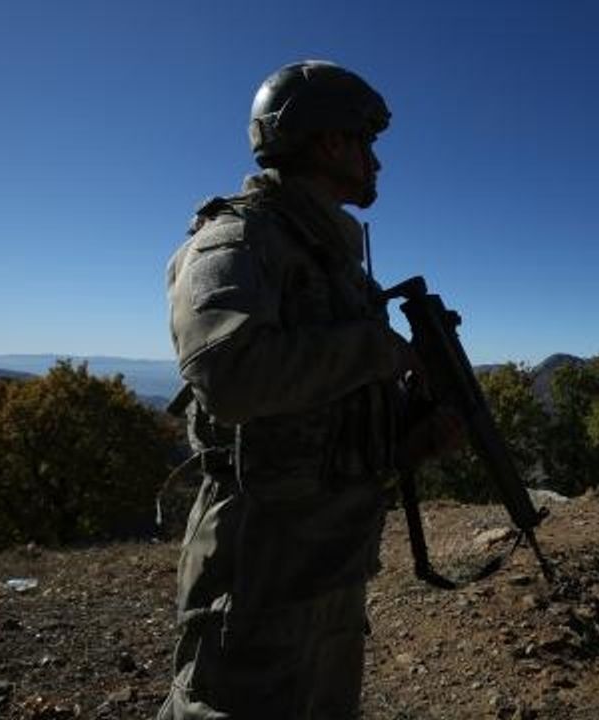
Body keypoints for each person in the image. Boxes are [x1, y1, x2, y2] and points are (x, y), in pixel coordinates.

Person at [158, 60, 448, 719]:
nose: (377, 162)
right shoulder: (235, 240)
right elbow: (229, 376)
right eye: (365, 143)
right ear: (330, 142)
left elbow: (324, 414)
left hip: (330, 564)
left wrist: (411, 439)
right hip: (259, 569)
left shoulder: (331, 262)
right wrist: (378, 349)